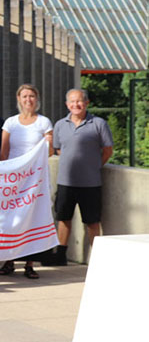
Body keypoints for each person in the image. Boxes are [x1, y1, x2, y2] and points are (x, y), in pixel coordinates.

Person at [0, 83, 54, 279]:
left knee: (31, 219)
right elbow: (4, 153)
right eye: (24, 96)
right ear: (18, 99)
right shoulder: (11, 123)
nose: (28, 99)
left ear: (36, 99)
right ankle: (9, 261)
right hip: (14, 180)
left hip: (34, 180)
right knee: (11, 220)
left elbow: (50, 151)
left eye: (31, 96)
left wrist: (47, 143)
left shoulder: (44, 122)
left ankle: (30, 264)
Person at [53, 88, 113, 258]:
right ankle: (60, 255)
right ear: (67, 104)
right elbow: (58, 150)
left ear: (87, 103)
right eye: (72, 101)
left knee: (92, 221)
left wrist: (94, 165)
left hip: (90, 183)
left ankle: (97, 257)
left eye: (79, 101)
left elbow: (108, 150)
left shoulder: (99, 123)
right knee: (63, 219)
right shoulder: (59, 125)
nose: (76, 104)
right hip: (65, 182)